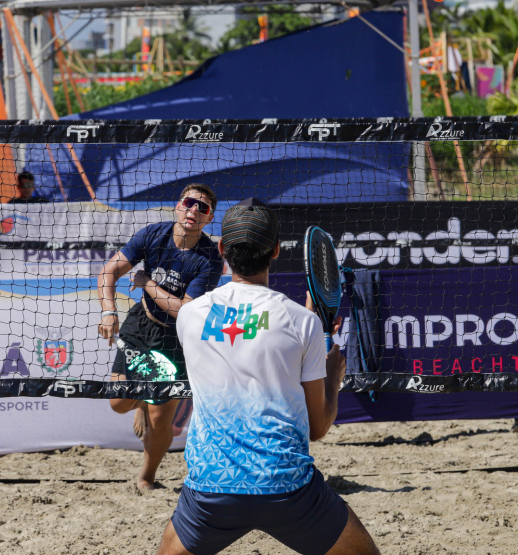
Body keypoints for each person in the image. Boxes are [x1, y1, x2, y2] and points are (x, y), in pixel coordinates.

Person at [156, 198, 380, 555]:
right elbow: (318, 428)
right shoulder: (302, 322)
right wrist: (332, 380)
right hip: (286, 488)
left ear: (222, 249)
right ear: (276, 250)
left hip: (212, 490)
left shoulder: (190, 316)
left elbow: (245, 339)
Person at [98, 184, 223, 491]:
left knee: (160, 420)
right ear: (178, 206)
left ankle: (146, 476)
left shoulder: (209, 259)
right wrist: (108, 312)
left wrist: (146, 282)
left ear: (209, 218)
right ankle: (142, 401)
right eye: (189, 203)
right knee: (116, 403)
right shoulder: (153, 234)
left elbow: (185, 311)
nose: (194, 210)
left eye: (202, 208)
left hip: (177, 338)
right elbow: (108, 272)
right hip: (141, 324)